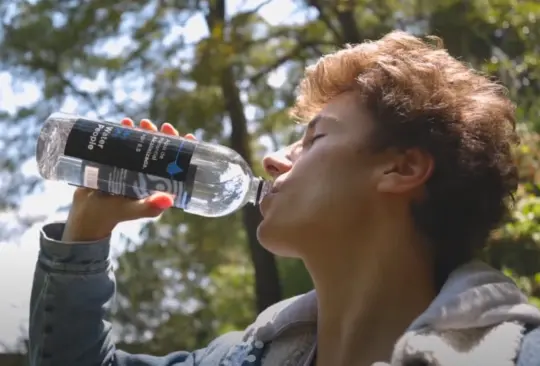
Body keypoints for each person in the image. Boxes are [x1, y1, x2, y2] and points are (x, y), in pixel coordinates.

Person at [29, 31, 540, 366]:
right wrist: (85, 235)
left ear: (401, 168)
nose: (273, 160)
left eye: (315, 139)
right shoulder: (240, 358)